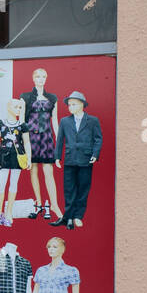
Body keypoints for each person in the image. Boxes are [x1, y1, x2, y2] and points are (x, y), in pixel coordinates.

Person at [52, 90, 102, 229]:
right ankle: (68, 217)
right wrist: (57, 157)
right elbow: (60, 140)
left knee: (83, 188)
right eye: (69, 105)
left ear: (81, 105)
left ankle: (78, 216)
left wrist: (95, 154)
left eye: (73, 104)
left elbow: (98, 139)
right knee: (69, 189)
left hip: (86, 159)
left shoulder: (92, 120)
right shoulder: (65, 121)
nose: (70, 107)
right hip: (70, 159)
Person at [20, 68, 62, 220]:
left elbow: (55, 121)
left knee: (48, 172)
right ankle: (38, 203)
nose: (40, 79)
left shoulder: (52, 98)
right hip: (30, 138)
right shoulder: (25, 97)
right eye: (38, 76)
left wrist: (59, 141)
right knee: (33, 170)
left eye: (43, 76)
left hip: (46, 138)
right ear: (33, 78)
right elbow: (22, 122)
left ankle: (54, 205)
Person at [0, 98, 31, 227]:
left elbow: (27, 142)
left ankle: (8, 212)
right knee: (0, 185)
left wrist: (29, 158)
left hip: (17, 158)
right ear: (8, 107)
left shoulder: (22, 126)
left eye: (20, 107)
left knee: (13, 184)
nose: (18, 109)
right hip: (3, 158)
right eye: (15, 107)